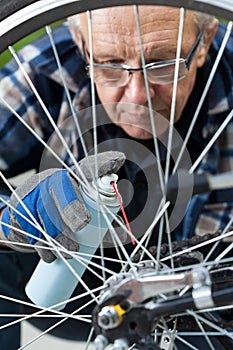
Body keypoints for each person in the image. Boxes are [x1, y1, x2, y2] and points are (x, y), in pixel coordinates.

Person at [0, 5, 232, 349]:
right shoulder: (47, 68)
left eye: (164, 61)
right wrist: (11, 220)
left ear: (204, 43)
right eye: (110, 65)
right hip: (63, 289)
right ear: (81, 44)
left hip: (203, 297)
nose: (138, 95)